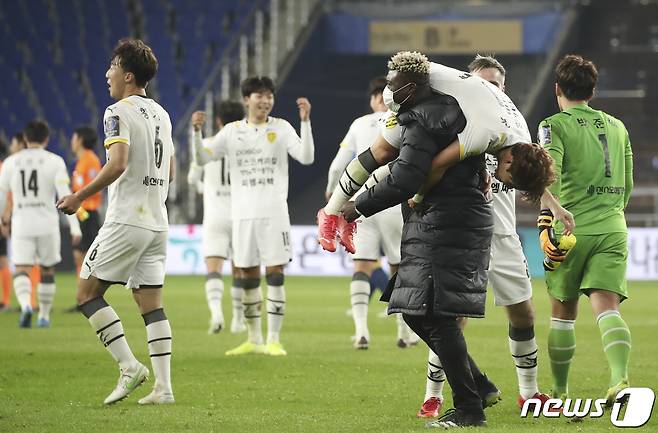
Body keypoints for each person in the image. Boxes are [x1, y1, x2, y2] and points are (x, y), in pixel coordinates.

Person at [342, 51, 492, 428]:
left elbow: (407, 177)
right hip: (439, 221)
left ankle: (470, 409)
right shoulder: (440, 111)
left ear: (411, 87)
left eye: (393, 84)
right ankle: (478, 385)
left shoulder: (424, 121)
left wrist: (356, 207)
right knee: (411, 309)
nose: (389, 91)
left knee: (436, 317)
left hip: (447, 222)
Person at [414, 56, 554, 419]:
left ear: (503, 89)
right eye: (481, 84)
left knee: (523, 313)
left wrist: (553, 205)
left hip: (504, 234)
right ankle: (434, 394)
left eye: (494, 84)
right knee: (451, 320)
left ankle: (529, 393)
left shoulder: (515, 127)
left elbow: (533, 173)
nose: (488, 90)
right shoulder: (458, 123)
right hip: (461, 233)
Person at [317, 53, 569, 254]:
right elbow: (437, 166)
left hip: (438, 98)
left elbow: (509, 158)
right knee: (384, 153)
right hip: (408, 88)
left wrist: (554, 206)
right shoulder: (485, 133)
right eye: (509, 179)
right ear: (510, 160)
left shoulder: (520, 135)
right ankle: (329, 213)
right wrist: (419, 196)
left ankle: (347, 215)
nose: (505, 182)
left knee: (407, 158)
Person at [57, 38, 175, 405]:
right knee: (151, 304)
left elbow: (119, 162)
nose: (106, 73)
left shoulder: (116, 111)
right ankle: (164, 388)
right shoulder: (162, 114)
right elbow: (170, 171)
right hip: (158, 221)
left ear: (126, 74)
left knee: (86, 294)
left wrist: (78, 196)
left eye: (111, 67)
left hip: (127, 220)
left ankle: (129, 367)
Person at [192, 76, 314, 356]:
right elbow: (201, 159)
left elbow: (306, 157)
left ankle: (274, 338)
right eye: (260, 95)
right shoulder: (231, 132)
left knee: (275, 273)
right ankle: (253, 338)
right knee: (246, 275)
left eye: (269, 96)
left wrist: (305, 122)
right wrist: (196, 133)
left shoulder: (281, 128)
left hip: (274, 214)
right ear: (247, 100)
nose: (266, 100)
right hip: (242, 215)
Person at [537, 54, 633, 406]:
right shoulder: (619, 126)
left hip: (571, 229)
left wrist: (547, 220)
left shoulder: (553, 125)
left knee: (562, 313)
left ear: (557, 89)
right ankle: (619, 379)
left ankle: (561, 393)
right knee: (607, 308)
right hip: (613, 228)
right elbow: (628, 184)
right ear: (592, 90)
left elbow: (548, 174)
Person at [326, 76, 415, 349]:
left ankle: (362, 331)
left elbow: (338, 165)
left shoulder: (359, 124)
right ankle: (404, 332)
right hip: (391, 201)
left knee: (362, 266)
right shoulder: (404, 120)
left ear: (373, 99)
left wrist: (332, 192)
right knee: (398, 268)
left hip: (359, 205)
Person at [0, 121, 82, 328]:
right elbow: (66, 196)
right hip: (47, 222)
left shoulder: (11, 162)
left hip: (22, 221)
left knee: (21, 268)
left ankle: (26, 305)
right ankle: (44, 315)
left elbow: (1, 194)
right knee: (47, 270)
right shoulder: (55, 161)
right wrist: (74, 227)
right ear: (46, 139)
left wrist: (3, 218)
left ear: (25, 139)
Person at [187, 100, 246, 334]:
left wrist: (205, 189)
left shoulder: (207, 144)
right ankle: (238, 320)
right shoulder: (246, 147)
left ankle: (217, 314)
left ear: (219, 120)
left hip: (215, 215)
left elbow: (192, 178)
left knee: (213, 267)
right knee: (240, 268)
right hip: (241, 215)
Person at [65, 126, 103, 313]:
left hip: (88, 214)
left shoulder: (90, 160)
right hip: (82, 214)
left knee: (86, 256)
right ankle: (84, 297)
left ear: (79, 139)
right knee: (80, 257)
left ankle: (88, 297)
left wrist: (81, 217)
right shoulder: (82, 161)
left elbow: (93, 190)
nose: (71, 140)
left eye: (73, 137)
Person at [0, 138, 11, 311]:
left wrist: (4, 220)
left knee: (2, 260)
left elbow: (7, 196)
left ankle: (6, 301)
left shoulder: (4, 168)